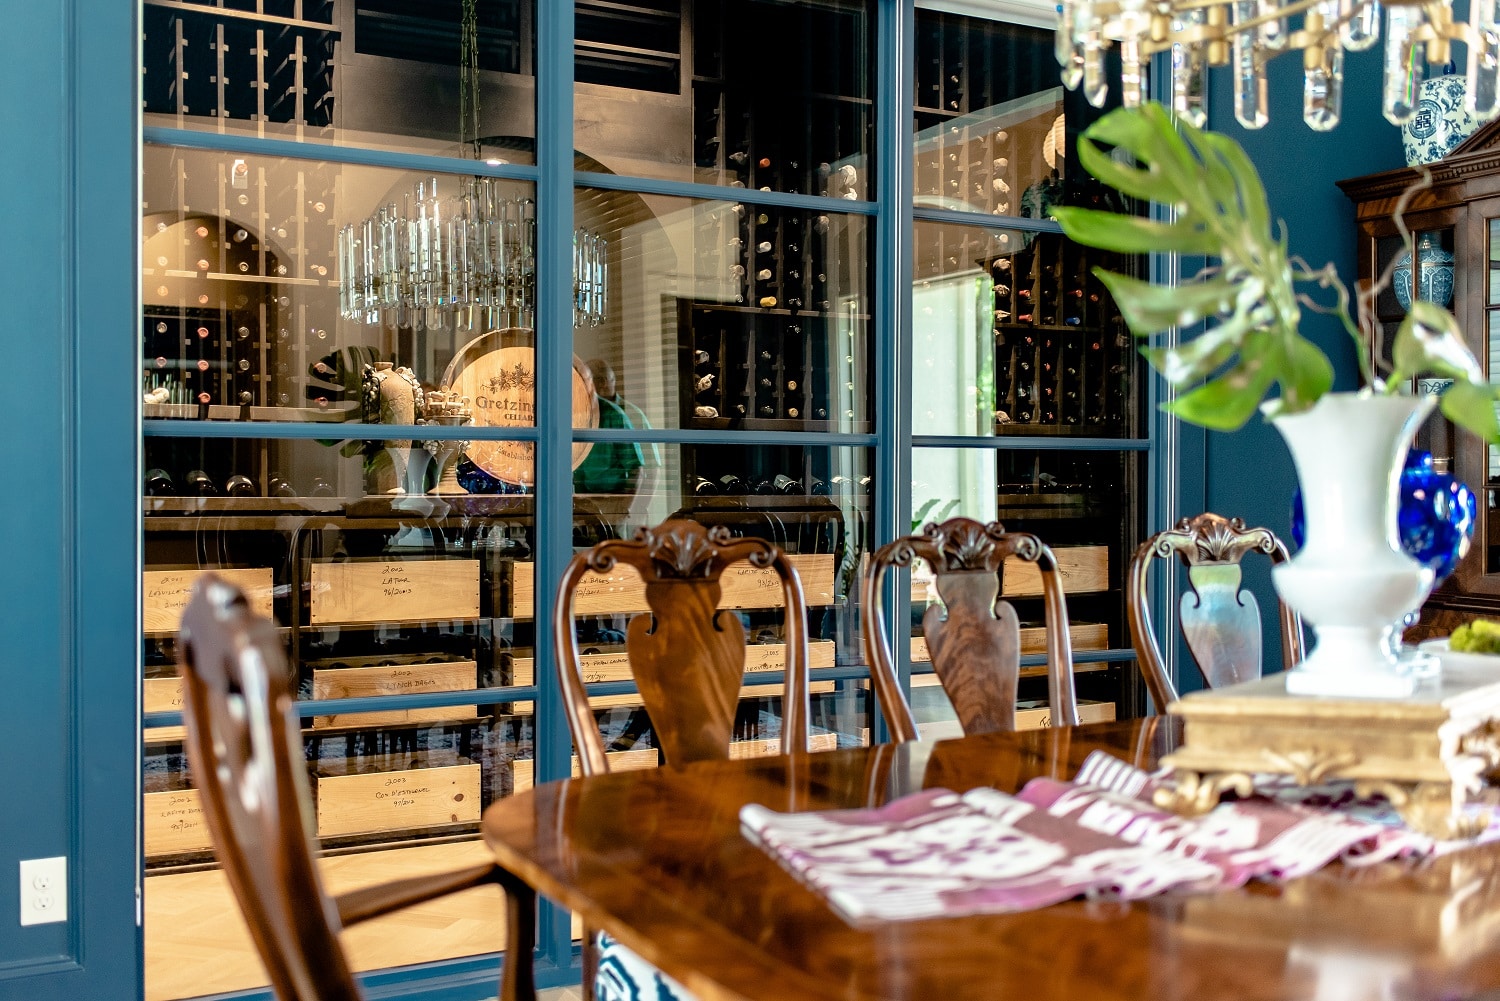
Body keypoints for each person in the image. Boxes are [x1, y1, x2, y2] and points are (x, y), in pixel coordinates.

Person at [573, 359, 647, 494]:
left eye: (583, 381)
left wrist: (625, 509)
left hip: (611, 498)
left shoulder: (614, 415)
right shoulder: (567, 415)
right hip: (576, 502)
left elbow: (636, 470)